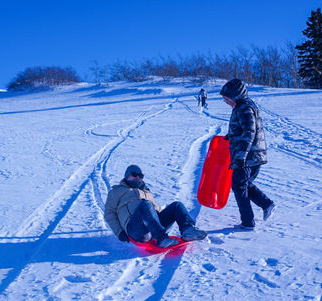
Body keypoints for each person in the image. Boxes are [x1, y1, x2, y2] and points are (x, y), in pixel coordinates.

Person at [104, 165, 207, 248]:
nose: (138, 177)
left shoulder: (146, 191)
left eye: (141, 176)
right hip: (136, 229)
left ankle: (187, 230)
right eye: (135, 174)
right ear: (127, 176)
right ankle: (161, 239)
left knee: (177, 205)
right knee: (145, 204)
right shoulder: (116, 191)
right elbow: (109, 213)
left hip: (153, 228)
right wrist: (119, 232)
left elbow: (156, 210)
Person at [220, 78, 275, 229]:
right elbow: (242, 129)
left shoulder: (244, 108)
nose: (226, 102)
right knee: (243, 184)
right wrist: (230, 135)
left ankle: (248, 222)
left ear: (236, 96)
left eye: (227, 98)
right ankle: (266, 204)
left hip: (247, 156)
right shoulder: (242, 107)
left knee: (239, 186)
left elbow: (249, 133)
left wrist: (240, 157)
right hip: (252, 155)